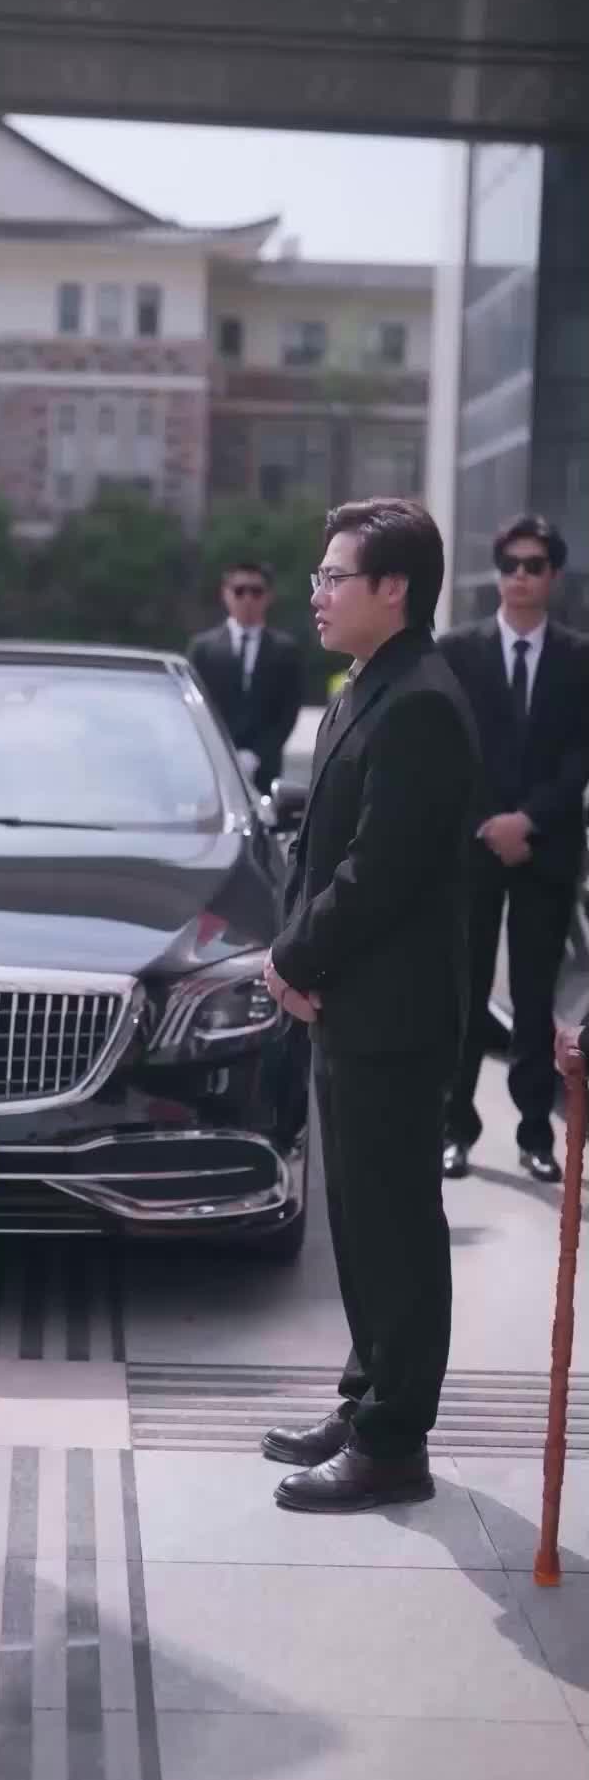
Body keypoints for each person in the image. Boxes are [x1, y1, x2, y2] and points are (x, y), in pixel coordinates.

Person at [259, 499, 479, 1513]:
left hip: (394, 1014)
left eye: (334, 575)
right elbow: (321, 848)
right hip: (349, 1002)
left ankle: (395, 1441)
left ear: (395, 589)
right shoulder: (368, 685)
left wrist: (293, 955)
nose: (317, 592)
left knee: (396, 1226)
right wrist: (301, 959)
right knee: (356, 1216)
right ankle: (364, 1400)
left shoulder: (422, 701)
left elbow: (378, 869)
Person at [439, 515, 589, 1185]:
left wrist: (526, 821)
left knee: (532, 999)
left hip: (545, 847)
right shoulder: (457, 651)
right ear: (497, 575)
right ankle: (454, 1130)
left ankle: (534, 1135)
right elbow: (450, 747)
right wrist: (489, 823)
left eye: (533, 566)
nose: (520, 577)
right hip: (474, 846)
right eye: (510, 566)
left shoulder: (579, 657)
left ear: (552, 576)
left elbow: (580, 755)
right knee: (465, 993)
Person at [189, 561, 303, 791]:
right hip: (212, 764)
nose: (248, 598)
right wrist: (222, 752)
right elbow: (195, 708)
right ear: (225, 594)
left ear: (268, 596)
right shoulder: (203, 649)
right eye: (239, 591)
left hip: (265, 769)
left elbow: (288, 712)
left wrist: (257, 754)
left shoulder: (285, 650)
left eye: (256, 591)